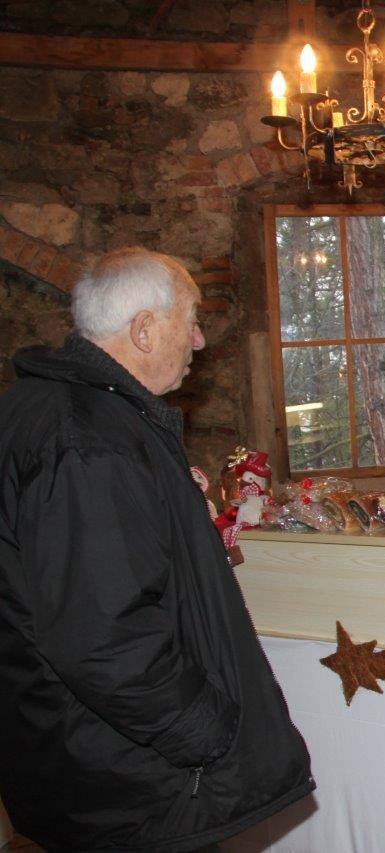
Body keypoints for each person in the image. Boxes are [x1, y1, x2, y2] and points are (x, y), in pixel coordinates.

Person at [0, 248, 313, 851]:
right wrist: (205, 732)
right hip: (128, 782)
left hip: (79, 756)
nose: (199, 340)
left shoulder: (53, 411)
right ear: (144, 329)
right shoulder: (90, 441)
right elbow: (102, 636)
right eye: (190, 320)